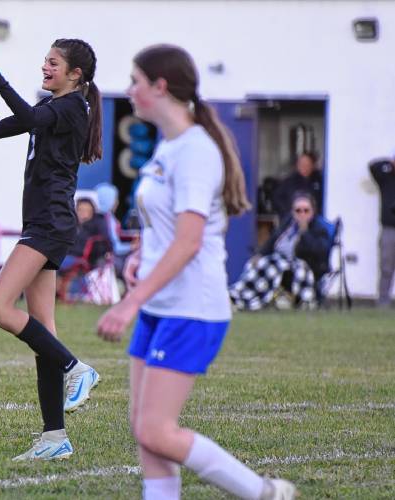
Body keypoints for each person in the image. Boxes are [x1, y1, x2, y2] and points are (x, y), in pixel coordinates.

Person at [96, 45, 296, 499]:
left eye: (135, 82)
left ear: (160, 87)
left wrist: (129, 303)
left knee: (156, 430)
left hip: (191, 308)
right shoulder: (170, 145)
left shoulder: (196, 151)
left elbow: (189, 242)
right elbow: (162, 222)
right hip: (161, 303)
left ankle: (264, 493)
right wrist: (139, 258)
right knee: (144, 429)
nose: (129, 92)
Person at [0, 38, 102, 460]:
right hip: (45, 225)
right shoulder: (52, 108)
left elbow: (23, 113)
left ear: (75, 74)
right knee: (43, 331)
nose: (45, 67)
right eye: (44, 60)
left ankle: (77, 367)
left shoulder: (71, 107)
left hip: (48, 226)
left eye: (53, 62)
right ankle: (55, 438)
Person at [229, 193, 331, 310]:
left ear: (312, 212)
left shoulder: (318, 229)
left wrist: (304, 233)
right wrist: (260, 254)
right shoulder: (289, 223)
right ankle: (239, 295)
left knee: (271, 266)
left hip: (301, 265)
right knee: (255, 264)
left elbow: (318, 252)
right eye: (298, 211)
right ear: (293, 212)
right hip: (278, 259)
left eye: (306, 211)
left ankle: (253, 299)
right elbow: (273, 239)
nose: (302, 214)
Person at [369, 152, 395, 308]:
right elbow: (372, 166)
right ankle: (383, 301)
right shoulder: (386, 179)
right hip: (389, 229)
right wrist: (389, 161)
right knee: (386, 267)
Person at [95, 182, 136, 277]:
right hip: (108, 260)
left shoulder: (105, 217)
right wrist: (132, 247)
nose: (117, 202)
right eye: (115, 199)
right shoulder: (105, 219)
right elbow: (115, 247)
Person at [272, 151, 323, 219]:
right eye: (301, 164)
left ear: (312, 165)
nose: (304, 166)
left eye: (307, 164)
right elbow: (277, 198)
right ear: (297, 165)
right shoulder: (288, 182)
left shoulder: (319, 181)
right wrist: (289, 213)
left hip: (314, 222)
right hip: (293, 221)